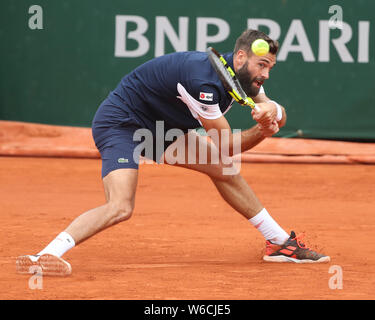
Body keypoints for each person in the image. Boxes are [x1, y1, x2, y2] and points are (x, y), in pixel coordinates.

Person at [16, 29, 329, 276]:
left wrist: (272, 112)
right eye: (263, 65)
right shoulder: (203, 81)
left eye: (271, 67)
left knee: (223, 168)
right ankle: (46, 255)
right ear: (241, 56)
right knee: (121, 206)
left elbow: (274, 110)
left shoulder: (245, 77)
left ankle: (278, 244)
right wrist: (262, 130)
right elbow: (226, 144)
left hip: (161, 127)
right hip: (122, 123)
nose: (266, 74)